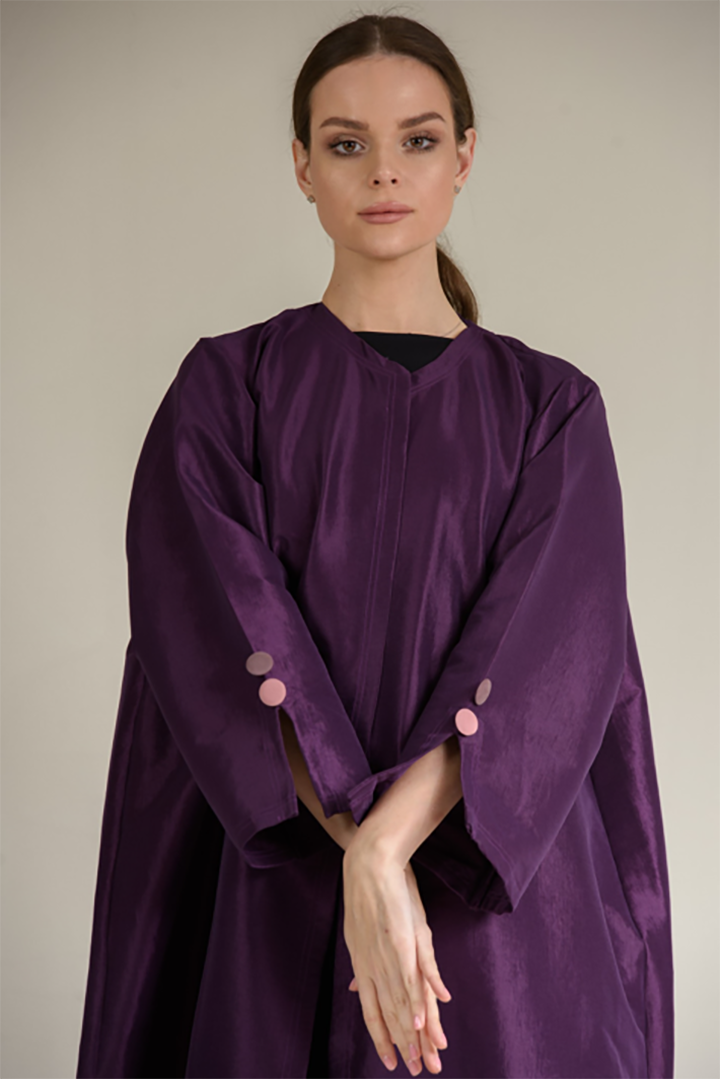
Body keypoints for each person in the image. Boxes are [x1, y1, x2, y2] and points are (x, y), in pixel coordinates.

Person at [76, 12, 674, 1079]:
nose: (384, 171)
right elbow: (215, 634)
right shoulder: (224, 392)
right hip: (274, 897)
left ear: (465, 156)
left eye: (419, 139)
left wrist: (386, 850)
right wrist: (361, 855)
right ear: (302, 166)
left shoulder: (553, 411)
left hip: (498, 916)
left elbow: (548, 662)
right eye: (347, 142)